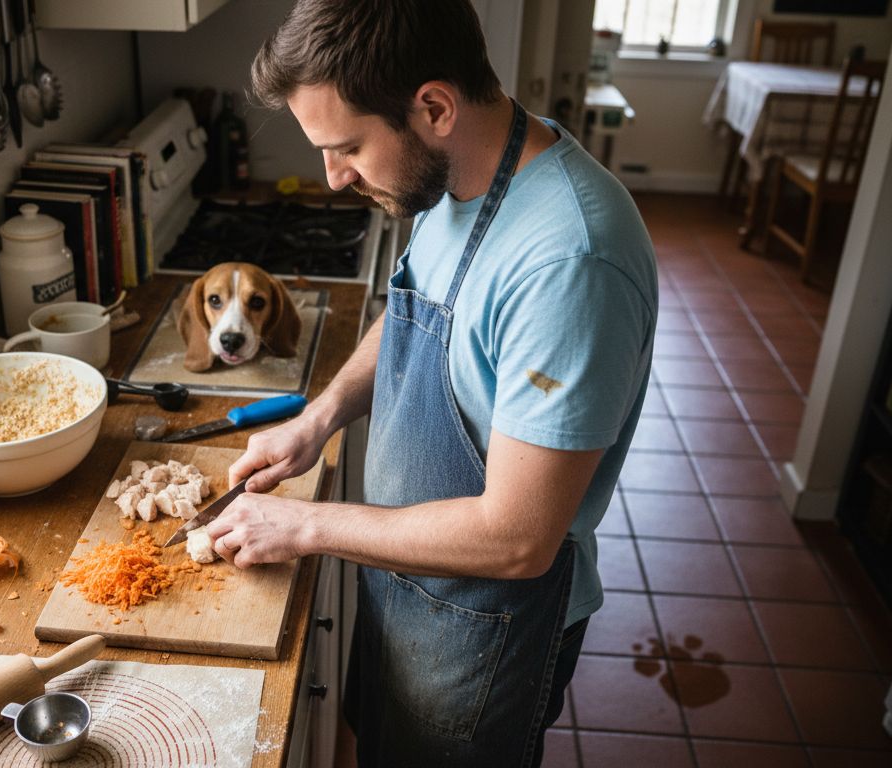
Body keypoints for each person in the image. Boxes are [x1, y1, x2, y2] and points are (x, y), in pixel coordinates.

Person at [205, 1, 657, 765]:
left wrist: (308, 527)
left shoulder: (570, 261)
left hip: (486, 629)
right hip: (405, 580)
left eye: (347, 146)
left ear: (435, 107)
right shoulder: (453, 177)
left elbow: (518, 539)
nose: (333, 175)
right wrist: (319, 420)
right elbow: (418, 314)